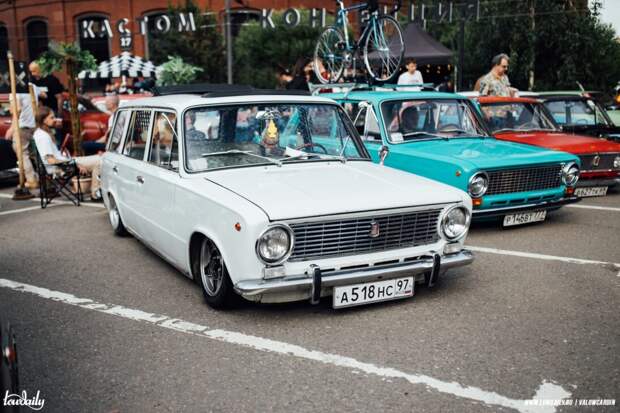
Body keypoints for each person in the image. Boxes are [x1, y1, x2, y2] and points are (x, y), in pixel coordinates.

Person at [33, 106, 103, 201]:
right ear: (44, 120)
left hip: (64, 162)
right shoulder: (43, 136)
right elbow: (51, 160)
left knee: (100, 159)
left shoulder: (42, 133)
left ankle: (96, 193)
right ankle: (96, 194)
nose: (54, 119)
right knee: (100, 161)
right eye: (51, 117)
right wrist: (74, 164)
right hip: (59, 167)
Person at [7, 88, 40, 188]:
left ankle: (31, 180)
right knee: (35, 154)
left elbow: (17, 109)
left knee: (22, 154)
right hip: (34, 126)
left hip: (22, 126)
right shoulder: (32, 87)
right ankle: (42, 178)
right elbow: (43, 95)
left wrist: (11, 128)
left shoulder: (14, 91)